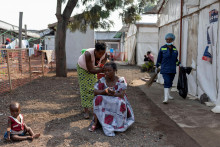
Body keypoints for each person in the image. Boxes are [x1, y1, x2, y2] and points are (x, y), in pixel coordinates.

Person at [89, 62, 134, 136]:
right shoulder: (102, 80)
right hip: (106, 97)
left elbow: (121, 95)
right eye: (105, 71)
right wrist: (105, 91)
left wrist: (113, 93)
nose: (106, 73)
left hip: (117, 98)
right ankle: (96, 122)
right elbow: (95, 92)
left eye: (109, 70)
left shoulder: (121, 80)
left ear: (115, 70)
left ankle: (119, 124)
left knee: (120, 102)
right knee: (97, 98)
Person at [77, 42, 107, 119]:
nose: (101, 55)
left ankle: (94, 108)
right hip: (83, 68)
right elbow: (91, 70)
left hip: (93, 69)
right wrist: (102, 70)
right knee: (85, 89)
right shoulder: (88, 54)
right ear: (95, 51)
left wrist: (101, 67)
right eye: (99, 53)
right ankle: (86, 111)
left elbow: (103, 63)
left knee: (94, 88)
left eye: (103, 53)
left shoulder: (104, 54)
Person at [155, 33, 181, 104]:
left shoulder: (175, 49)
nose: (168, 41)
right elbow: (159, 58)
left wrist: (179, 63)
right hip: (165, 69)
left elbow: (175, 59)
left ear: (172, 40)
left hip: (172, 69)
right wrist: (157, 66)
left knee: (170, 82)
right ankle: (165, 98)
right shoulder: (162, 48)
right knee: (167, 81)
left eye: (170, 40)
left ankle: (169, 95)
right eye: (167, 39)